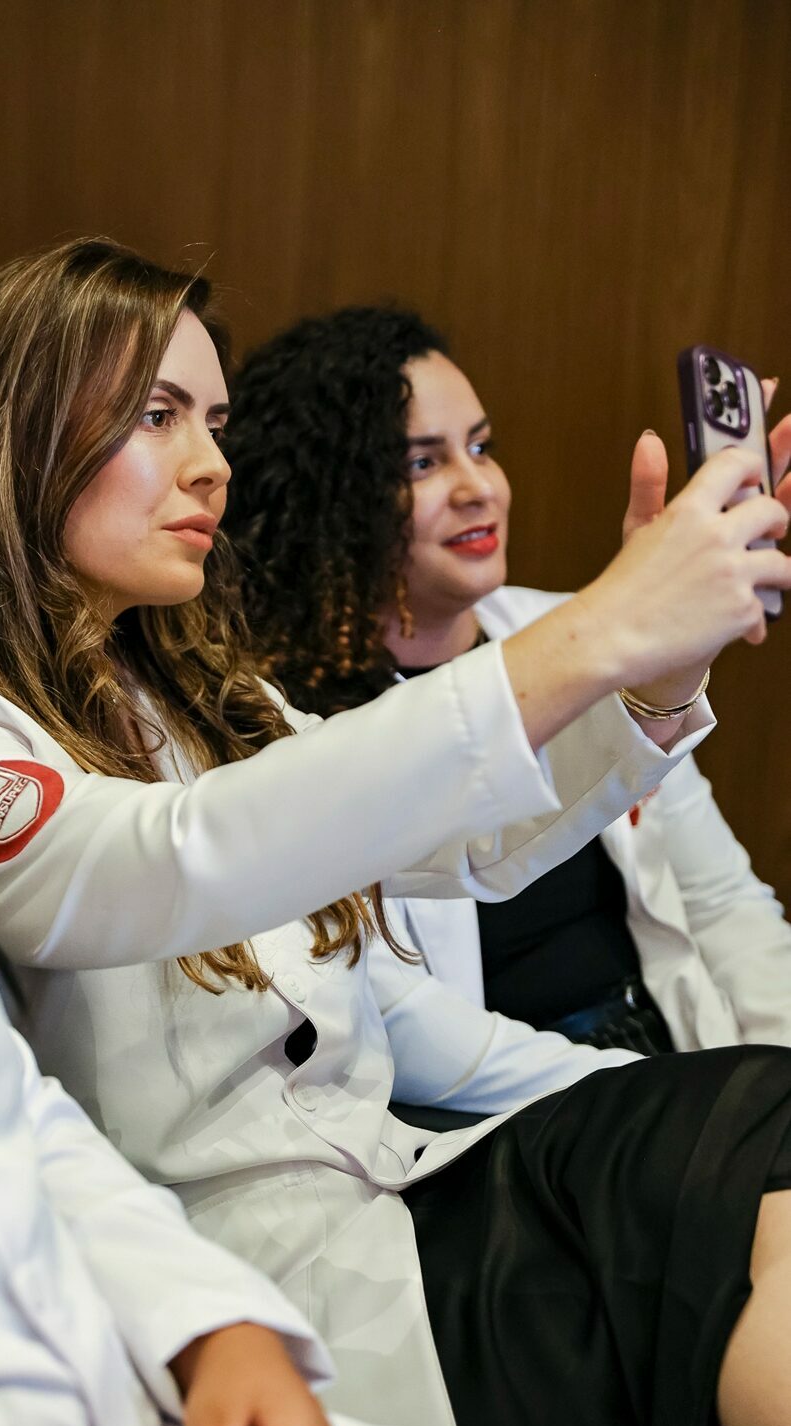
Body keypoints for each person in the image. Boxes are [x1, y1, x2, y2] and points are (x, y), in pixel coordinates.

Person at [0, 313, 779, 1426]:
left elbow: (461, 833)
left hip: (411, 1186)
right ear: (23, 439)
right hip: (263, 1277)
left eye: (216, 423)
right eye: (157, 415)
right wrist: (595, 629)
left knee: (757, 1128)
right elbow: (182, 857)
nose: (212, 464)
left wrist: (657, 671)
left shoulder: (202, 693)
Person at [223, 305, 791, 1121]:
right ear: (329, 493)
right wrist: (668, 1107)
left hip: (674, 1062)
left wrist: (771, 1071)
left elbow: (721, 901)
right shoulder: (279, 724)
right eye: (423, 463)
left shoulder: (565, 629)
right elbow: (416, 1034)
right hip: (511, 1118)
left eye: (481, 447)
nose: (478, 488)